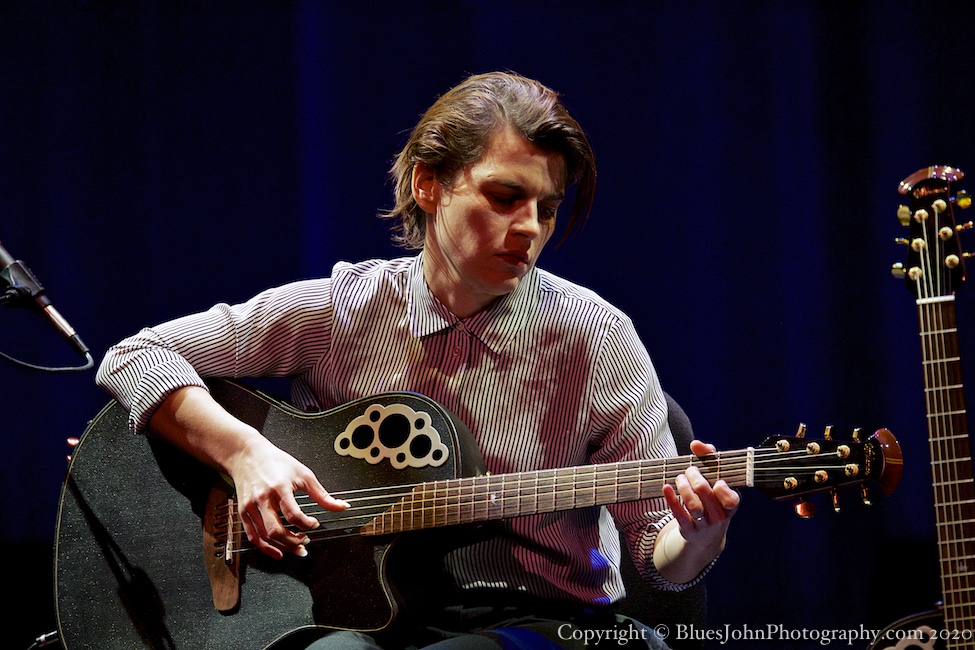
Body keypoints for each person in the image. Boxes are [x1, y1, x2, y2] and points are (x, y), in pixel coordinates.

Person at [96, 71, 740, 649]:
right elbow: (134, 356)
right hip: (360, 617)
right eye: (504, 196)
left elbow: (657, 550)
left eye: (546, 209)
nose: (529, 228)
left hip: (543, 622)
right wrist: (244, 454)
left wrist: (698, 537)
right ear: (428, 184)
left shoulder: (595, 336)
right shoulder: (345, 310)